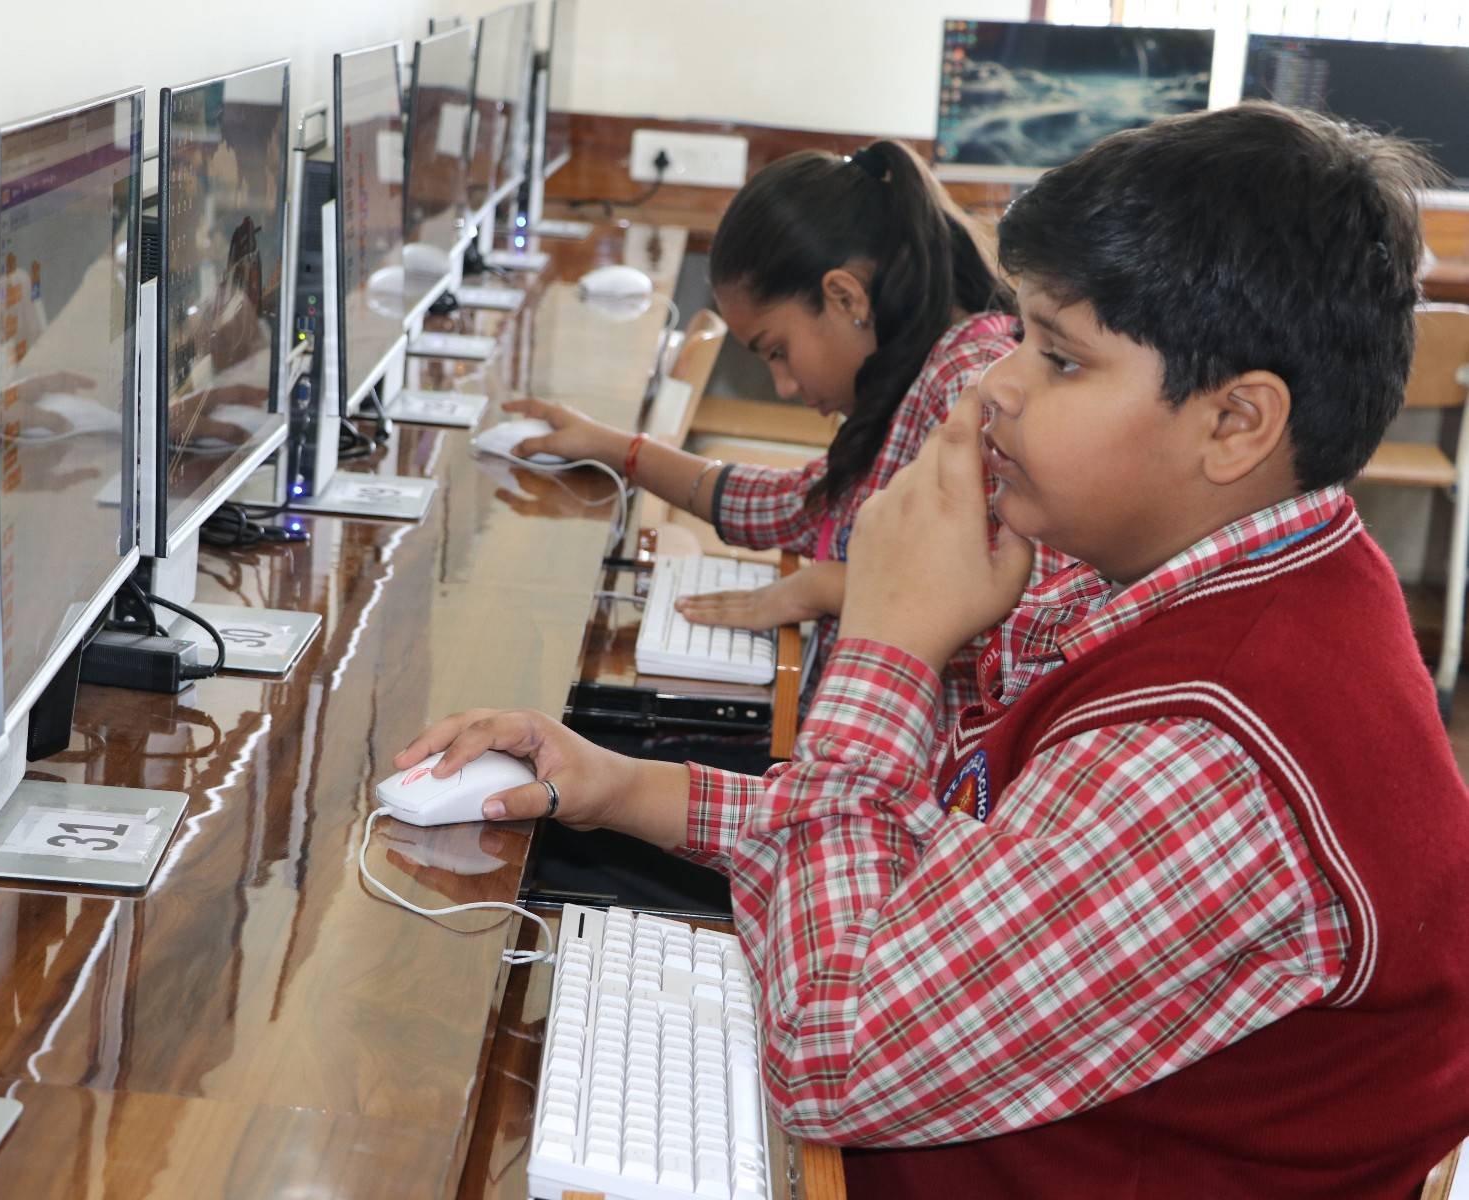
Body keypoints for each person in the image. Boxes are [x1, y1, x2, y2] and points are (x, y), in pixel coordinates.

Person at [398, 103, 1469, 1197]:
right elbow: (924, 841)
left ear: (1235, 425)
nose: (996, 381)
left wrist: (887, 646)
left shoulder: (1210, 751)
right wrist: (619, 786)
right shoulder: (1211, 582)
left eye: (1059, 358)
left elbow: (832, 1057)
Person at [502, 138, 1062, 735]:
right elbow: (803, 506)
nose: (785, 385)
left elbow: (1026, 601)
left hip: (923, 757)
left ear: (844, 296)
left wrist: (823, 587)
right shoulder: (921, 370)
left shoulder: (971, 382)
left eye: (777, 351)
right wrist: (617, 449)